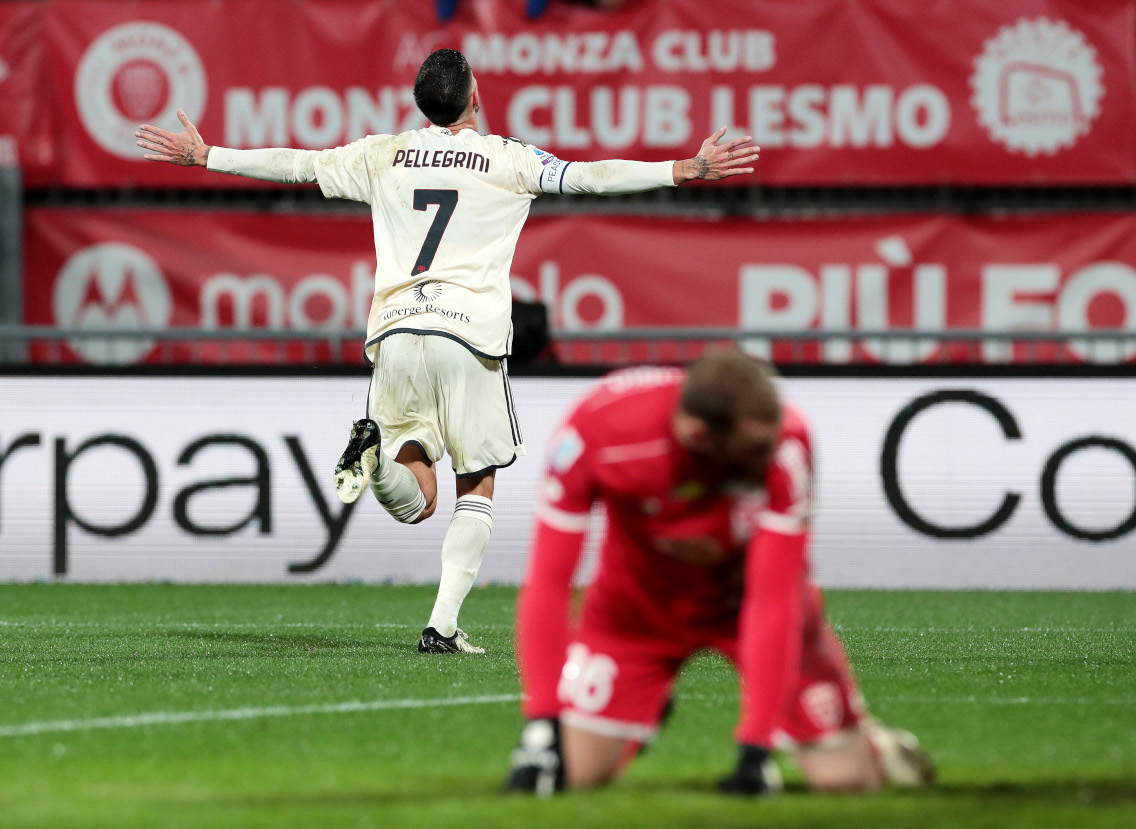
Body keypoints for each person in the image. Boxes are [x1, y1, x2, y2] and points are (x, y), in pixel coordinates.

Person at [135, 49, 759, 655]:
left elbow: (296, 164)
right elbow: (594, 176)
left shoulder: (383, 154)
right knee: (475, 483)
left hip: (397, 332)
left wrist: (208, 154)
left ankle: (374, 461)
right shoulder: (509, 159)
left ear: (422, 103)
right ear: (475, 98)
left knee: (415, 492)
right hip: (468, 335)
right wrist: (685, 169)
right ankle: (441, 625)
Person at [505, 349, 934, 794]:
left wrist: (756, 748)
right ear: (699, 435)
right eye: (755, 447)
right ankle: (640, 714)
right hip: (637, 612)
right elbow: (549, 584)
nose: (772, 451)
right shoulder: (598, 431)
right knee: (569, 775)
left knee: (845, 782)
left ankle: (873, 744)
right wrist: (542, 723)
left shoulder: (788, 443)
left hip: (742, 603)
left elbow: (774, 599)